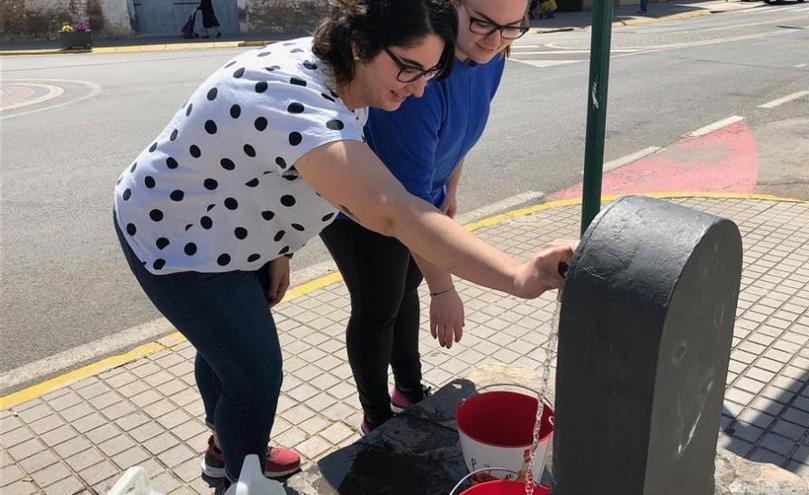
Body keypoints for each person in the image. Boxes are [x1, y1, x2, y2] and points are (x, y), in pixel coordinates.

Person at [112, 0, 573, 484]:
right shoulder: (296, 101)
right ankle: (240, 480)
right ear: (360, 44)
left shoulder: (348, 74)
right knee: (255, 375)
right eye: (409, 69)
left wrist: (278, 249)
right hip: (173, 238)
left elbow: (262, 168)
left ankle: (226, 449)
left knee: (226, 351)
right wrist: (520, 277)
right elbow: (395, 210)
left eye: (430, 74)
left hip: (232, 232)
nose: (417, 91)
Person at [321, 0, 536, 434]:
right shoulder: (422, 81)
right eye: (481, 23)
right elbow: (405, 211)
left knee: (406, 288)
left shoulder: (490, 59)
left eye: (512, 28)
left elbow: (463, 132)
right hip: (367, 210)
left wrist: (450, 188)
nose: (495, 41)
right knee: (378, 305)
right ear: (452, 5)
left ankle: (408, 387)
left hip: (421, 198)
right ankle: (376, 415)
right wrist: (446, 289)